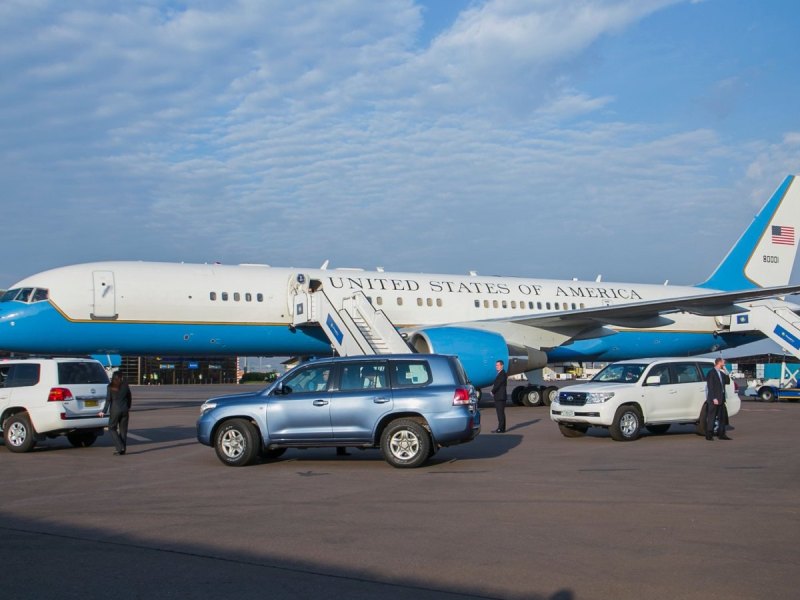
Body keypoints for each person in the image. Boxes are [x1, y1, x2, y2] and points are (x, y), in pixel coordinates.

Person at [102, 371, 132, 455]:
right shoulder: (125, 385)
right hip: (125, 410)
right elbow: (129, 397)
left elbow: (108, 400)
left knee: (111, 428)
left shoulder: (110, 386)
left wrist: (103, 411)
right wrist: (128, 407)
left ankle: (120, 447)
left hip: (115, 410)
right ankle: (123, 450)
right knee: (123, 431)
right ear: (120, 377)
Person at [705, 357, 731, 441]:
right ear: (719, 362)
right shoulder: (711, 373)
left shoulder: (722, 373)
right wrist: (713, 398)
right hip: (714, 399)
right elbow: (710, 386)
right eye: (723, 362)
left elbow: (727, 381)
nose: (724, 363)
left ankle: (722, 434)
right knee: (712, 417)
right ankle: (709, 434)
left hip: (721, 399)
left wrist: (726, 370)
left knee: (722, 417)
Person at [492, 360, 508, 433]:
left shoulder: (502, 374)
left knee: (500, 413)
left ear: (502, 366)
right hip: (499, 396)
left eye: (498, 365)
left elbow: (498, 384)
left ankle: (500, 428)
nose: (496, 367)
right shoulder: (500, 373)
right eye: (496, 365)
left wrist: (492, 391)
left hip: (500, 397)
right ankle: (502, 428)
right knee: (500, 413)